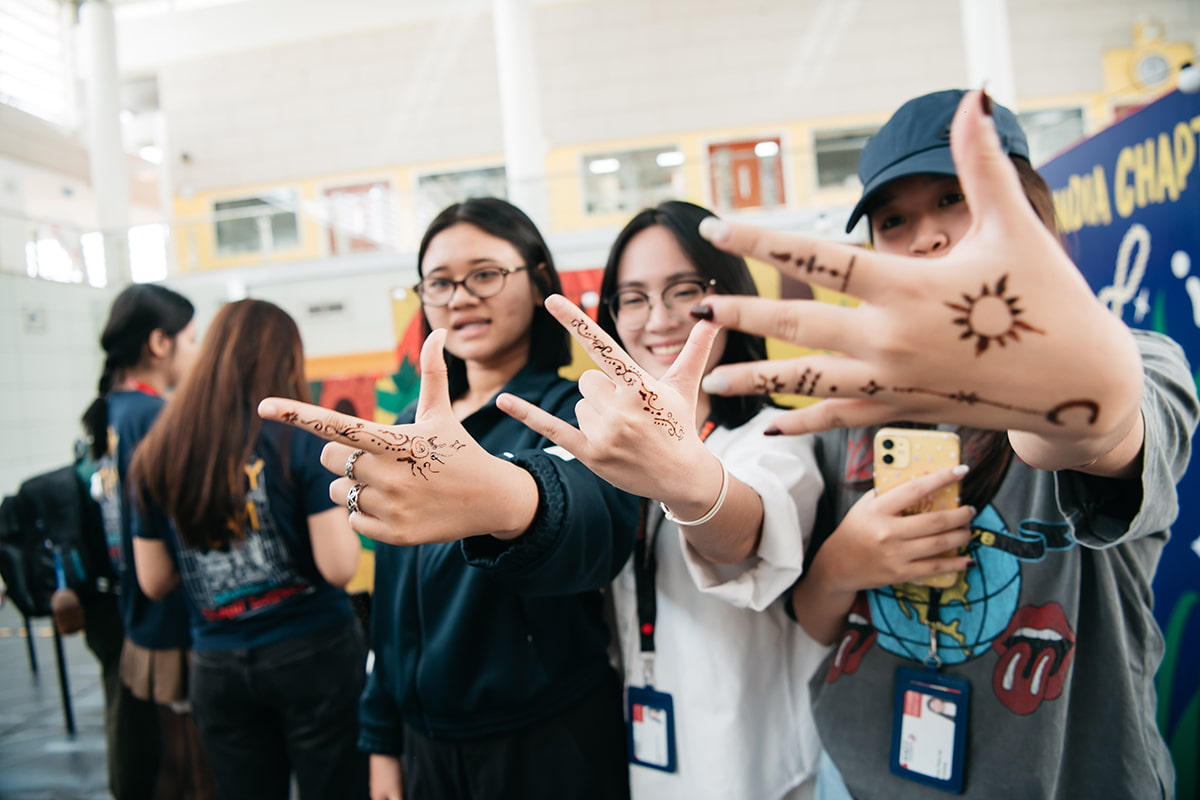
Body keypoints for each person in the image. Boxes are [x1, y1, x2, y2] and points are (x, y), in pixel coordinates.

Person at [688, 89, 1197, 799]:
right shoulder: (855, 414)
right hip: (868, 777)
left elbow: (1098, 435)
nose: (925, 235)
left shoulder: (1131, 364)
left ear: (1029, 210)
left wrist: (1076, 404)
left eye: (955, 198)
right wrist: (842, 565)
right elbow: (812, 621)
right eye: (894, 220)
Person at [257, 198, 640, 800]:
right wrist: (383, 741)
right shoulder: (410, 424)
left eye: (485, 274)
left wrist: (514, 501)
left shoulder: (576, 412)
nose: (460, 296)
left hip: (545, 743)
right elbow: (389, 604)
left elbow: (594, 529)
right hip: (424, 747)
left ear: (539, 277)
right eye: (439, 282)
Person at [498, 200, 827, 799]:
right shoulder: (596, 448)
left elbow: (742, 541)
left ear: (729, 297)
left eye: (684, 291)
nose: (659, 319)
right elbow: (550, 512)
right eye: (633, 298)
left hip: (760, 767)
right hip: (636, 753)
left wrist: (685, 478)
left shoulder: (777, 437)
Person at [129, 299, 367, 800]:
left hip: (217, 664)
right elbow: (340, 566)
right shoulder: (298, 439)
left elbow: (153, 581)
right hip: (313, 651)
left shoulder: (159, 449)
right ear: (285, 359)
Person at [81, 283, 205, 800]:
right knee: (191, 769)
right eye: (191, 339)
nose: (195, 352)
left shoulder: (112, 411)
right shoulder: (155, 418)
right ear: (160, 343)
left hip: (139, 617)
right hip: (173, 617)